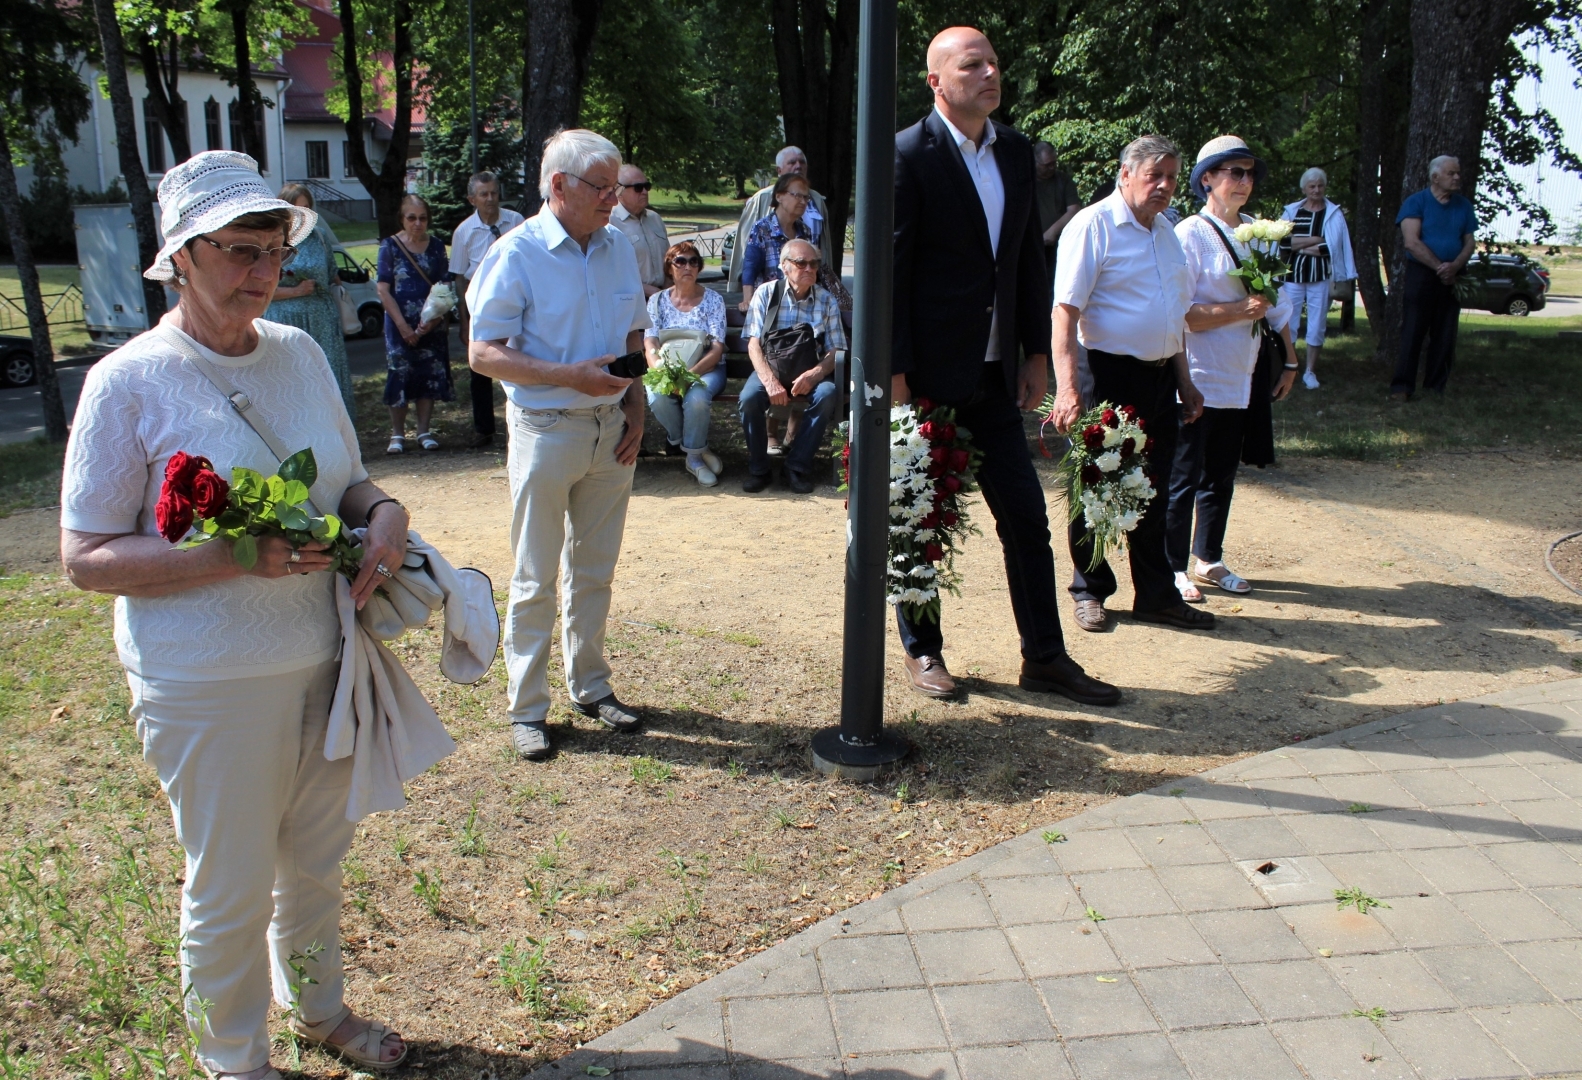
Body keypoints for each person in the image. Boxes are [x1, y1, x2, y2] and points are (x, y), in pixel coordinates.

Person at [58, 150, 413, 1080]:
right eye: (239, 250)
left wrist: (383, 514)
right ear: (180, 255)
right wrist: (227, 555)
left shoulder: (297, 354)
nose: (263, 270)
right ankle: (235, 1062)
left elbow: (352, 482)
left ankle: (320, 1007)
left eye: (274, 247)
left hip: (325, 658)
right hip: (205, 681)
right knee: (228, 886)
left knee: (315, 864)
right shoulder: (127, 382)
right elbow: (85, 557)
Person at [889, 26, 1120, 707]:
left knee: (1025, 517)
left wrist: (1036, 355)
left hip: (993, 378)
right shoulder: (907, 155)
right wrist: (898, 380)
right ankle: (923, 649)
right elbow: (891, 278)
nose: (991, 72)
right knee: (918, 518)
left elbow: (1023, 260)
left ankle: (1045, 657)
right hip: (926, 377)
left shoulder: (1017, 151)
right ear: (937, 81)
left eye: (994, 62)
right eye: (973, 64)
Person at [466, 129, 649, 762]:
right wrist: (567, 376)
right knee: (535, 575)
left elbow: (633, 331)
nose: (616, 198)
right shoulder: (515, 254)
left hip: (610, 431)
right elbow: (483, 352)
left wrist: (637, 406)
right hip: (547, 430)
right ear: (560, 186)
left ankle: (591, 687)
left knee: (594, 570)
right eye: (604, 187)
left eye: (618, 186)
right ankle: (526, 709)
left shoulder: (619, 246)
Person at [1052, 134, 1214, 634]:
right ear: (1125, 174)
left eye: (1171, 176)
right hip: (1108, 373)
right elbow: (1065, 311)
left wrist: (1185, 380)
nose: (1165, 186)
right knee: (1101, 486)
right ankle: (1091, 590)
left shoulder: (1165, 231)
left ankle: (1156, 595)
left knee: (1156, 490)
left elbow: (1174, 315)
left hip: (1162, 376)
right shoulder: (1093, 225)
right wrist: (1067, 387)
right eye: (1154, 176)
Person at [1169, 136, 1297, 604]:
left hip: (1243, 373)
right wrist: (1239, 309)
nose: (1244, 181)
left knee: (1221, 474)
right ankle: (1172, 566)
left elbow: (1277, 307)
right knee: (1184, 475)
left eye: (1249, 174)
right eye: (1233, 172)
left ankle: (1209, 557)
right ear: (1207, 178)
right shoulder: (1190, 234)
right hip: (1200, 373)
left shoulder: (1258, 234)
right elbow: (1183, 314)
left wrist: (1291, 360)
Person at [740, 238, 845, 494]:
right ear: (785, 267)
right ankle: (759, 470)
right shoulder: (766, 293)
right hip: (770, 369)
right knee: (749, 398)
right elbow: (753, 345)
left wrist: (816, 373)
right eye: (802, 263)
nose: (809, 268)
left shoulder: (826, 300)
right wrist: (770, 381)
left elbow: (836, 349)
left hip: (809, 371)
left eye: (814, 263)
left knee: (828, 394)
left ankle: (796, 467)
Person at [1391, 154, 1477, 401]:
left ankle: (1435, 388)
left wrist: (1455, 266)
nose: (1457, 177)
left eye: (1458, 172)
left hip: (1454, 277)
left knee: (1446, 333)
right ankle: (1402, 387)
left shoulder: (1463, 206)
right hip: (1423, 276)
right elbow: (1411, 242)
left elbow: (1469, 242)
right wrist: (1440, 267)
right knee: (1413, 331)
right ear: (1435, 176)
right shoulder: (1416, 202)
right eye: (1452, 173)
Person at [266, 184, 355, 419]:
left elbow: (332, 275)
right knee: (291, 382)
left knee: (325, 378)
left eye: (306, 207)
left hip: (321, 322)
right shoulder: (272, 241)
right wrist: (296, 291)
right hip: (284, 321)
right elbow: (260, 289)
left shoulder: (320, 237)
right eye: (296, 208)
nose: (302, 213)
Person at [450, 171, 525, 448]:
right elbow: (458, 276)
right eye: (484, 194)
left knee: (517, 360)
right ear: (473, 199)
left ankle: (518, 421)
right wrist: (463, 319)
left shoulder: (515, 222)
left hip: (515, 298)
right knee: (480, 366)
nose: (490, 199)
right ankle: (484, 429)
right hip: (479, 300)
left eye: (494, 193)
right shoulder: (464, 232)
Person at [644, 240, 727, 486]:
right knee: (657, 396)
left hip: (706, 368)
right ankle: (695, 448)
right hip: (667, 368)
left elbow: (716, 348)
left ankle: (692, 458)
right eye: (680, 261)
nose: (687, 266)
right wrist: (660, 370)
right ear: (670, 268)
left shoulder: (713, 300)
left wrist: (689, 377)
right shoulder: (656, 301)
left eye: (693, 261)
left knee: (697, 397)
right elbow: (650, 343)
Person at [377, 194, 453, 453]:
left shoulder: (436, 247)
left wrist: (432, 320)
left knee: (428, 373)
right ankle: (397, 434)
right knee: (399, 373)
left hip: (430, 324)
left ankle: (423, 430)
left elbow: (445, 286)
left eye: (422, 218)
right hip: (400, 324)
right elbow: (383, 289)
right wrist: (403, 327)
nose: (417, 223)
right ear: (402, 218)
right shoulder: (390, 246)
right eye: (412, 218)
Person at [1279, 167, 1356, 390]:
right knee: (1289, 321)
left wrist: (1300, 245)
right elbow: (1283, 243)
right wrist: (1314, 239)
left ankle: (1310, 371)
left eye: (1320, 185)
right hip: (1293, 276)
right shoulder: (1293, 212)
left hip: (1321, 277)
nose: (1316, 190)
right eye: (1312, 186)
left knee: (1317, 324)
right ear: (1304, 188)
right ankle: (1289, 367)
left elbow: (1330, 248)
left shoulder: (1332, 214)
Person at [726, 146, 836, 291]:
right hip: (770, 292)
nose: (798, 166)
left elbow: (824, 245)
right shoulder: (761, 199)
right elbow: (745, 248)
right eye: (792, 162)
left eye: (802, 162)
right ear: (779, 170)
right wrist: (744, 290)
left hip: (806, 288)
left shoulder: (816, 200)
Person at [739, 173, 815, 312]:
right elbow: (750, 267)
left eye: (806, 197)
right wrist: (747, 301)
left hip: (800, 307)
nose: (803, 202)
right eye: (797, 195)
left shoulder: (805, 231)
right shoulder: (762, 228)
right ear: (779, 196)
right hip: (769, 307)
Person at [610, 165, 669, 298]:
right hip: (629, 300)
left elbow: (669, 260)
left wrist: (666, 291)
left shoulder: (655, 218)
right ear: (619, 191)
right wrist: (648, 291)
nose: (644, 192)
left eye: (646, 186)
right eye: (638, 188)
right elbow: (607, 271)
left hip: (662, 298)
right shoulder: (609, 222)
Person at [1034, 142, 1082, 298]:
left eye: (1054, 163)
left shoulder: (1063, 180)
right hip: (1032, 246)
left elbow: (1073, 209)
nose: (1052, 168)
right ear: (1035, 162)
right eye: (1047, 165)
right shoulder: (1025, 181)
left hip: (1059, 245)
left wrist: (1052, 232)